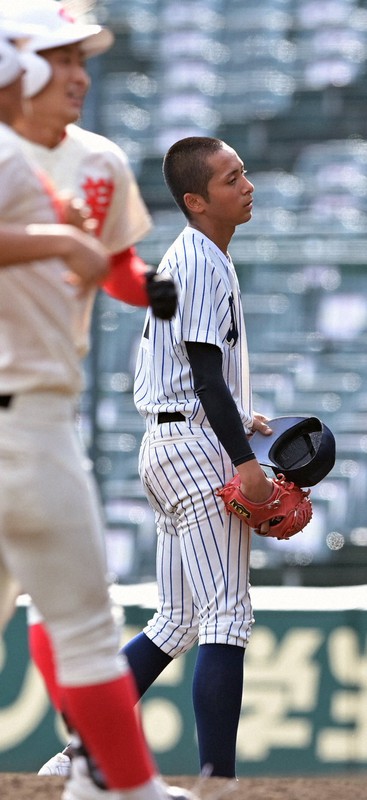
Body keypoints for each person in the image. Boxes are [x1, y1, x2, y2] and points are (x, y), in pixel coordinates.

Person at [0, 33, 194, 800]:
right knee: (81, 613)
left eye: (83, 61)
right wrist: (63, 239)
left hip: (43, 400)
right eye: (62, 59)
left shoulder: (92, 158)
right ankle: (118, 782)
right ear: (24, 66)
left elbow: (104, 259)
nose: (78, 75)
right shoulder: (15, 159)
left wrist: (142, 285)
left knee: (66, 601)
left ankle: (97, 770)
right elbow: (71, 247)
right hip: (29, 414)